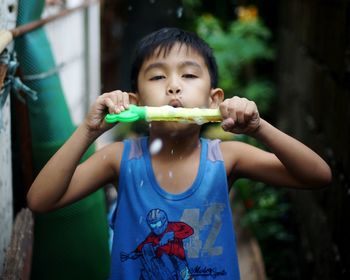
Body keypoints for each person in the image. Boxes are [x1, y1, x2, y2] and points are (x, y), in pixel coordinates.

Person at [27, 27, 332, 279]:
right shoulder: (120, 159)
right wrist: (89, 131)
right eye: (158, 77)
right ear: (134, 101)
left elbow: (318, 175)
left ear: (214, 100)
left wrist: (259, 127)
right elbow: (41, 200)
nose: (173, 87)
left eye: (188, 75)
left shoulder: (226, 158)